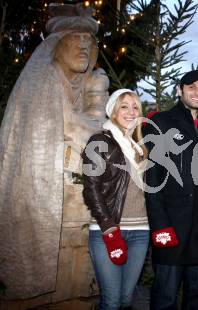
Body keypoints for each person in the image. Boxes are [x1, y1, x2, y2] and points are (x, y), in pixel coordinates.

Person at [0, 3, 107, 299]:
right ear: (56, 46)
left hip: (78, 196)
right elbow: (81, 130)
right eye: (76, 39)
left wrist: (96, 103)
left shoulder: (83, 85)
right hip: (45, 191)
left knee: (76, 261)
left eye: (88, 42)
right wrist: (93, 118)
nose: (83, 46)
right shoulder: (43, 83)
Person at [144, 70, 198, 310]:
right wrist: (160, 226)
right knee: (166, 298)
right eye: (191, 87)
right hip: (173, 227)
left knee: (197, 296)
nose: (197, 92)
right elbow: (153, 180)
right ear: (180, 90)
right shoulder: (161, 123)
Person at [82, 89, 149, 310]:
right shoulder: (98, 141)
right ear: (112, 110)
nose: (131, 112)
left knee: (126, 300)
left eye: (135, 107)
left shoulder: (140, 148)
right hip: (108, 232)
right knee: (111, 302)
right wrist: (109, 227)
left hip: (141, 232)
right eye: (124, 106)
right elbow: (91, 189)